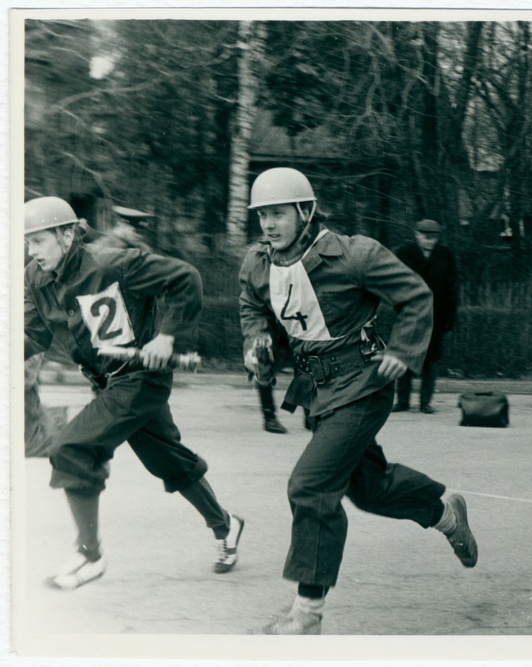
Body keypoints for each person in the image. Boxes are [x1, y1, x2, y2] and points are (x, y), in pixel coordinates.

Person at [238, 167, 478, 635]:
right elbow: (252, 304)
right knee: (369, 489)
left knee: (309, 487)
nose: (268, 224)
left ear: (305, 212)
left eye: (279, 213)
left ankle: (306, 616)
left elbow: (416, 295)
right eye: (262, 215)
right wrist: (257, 342)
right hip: (319, 393)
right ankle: (445, 511)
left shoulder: (352, 254)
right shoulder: (258, 263)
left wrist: (404, 351)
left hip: (363, 385)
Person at [23, 196, 244, 590]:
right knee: (169, 461)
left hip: (142, 378)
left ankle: (90, 555)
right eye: (28, 243)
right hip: (108, 382)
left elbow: (185, 277)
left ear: (68, 234)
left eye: (39, 241)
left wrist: (166, 336)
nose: (32, 251)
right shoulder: (36, 278)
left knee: (72, 448)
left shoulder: (111, 264)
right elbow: (32, 335)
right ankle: (226, 525)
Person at [393, 218, 459, 414]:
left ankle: (425, 402)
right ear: (416, 235)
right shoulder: (404, 254)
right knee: (404, 358)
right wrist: (400, 307)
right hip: (409, 314)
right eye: (426, 237)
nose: (430, 241)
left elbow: (453, 288)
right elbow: (394, 283)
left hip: (435, 316)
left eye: (434, 237)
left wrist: (449, 318)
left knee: (431, 360)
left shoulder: (446, 255)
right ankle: (402, 401)